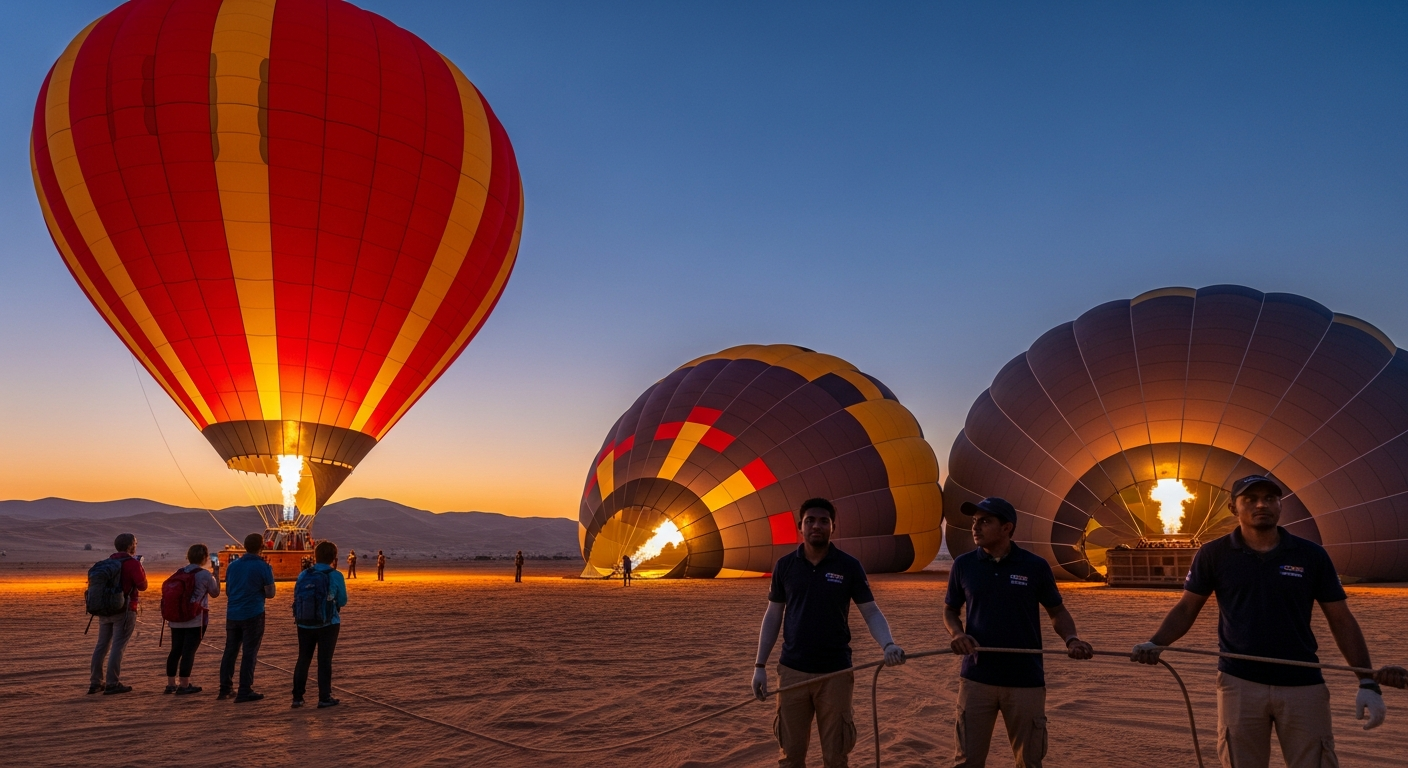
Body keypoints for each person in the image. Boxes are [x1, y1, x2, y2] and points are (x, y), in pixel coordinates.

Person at [1132, 475, 1408, 768]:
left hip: (1303, 684)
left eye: (1270, 498)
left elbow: (1341, 620)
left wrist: (1366, 680)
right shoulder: (1213, 554)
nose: (1261, 504)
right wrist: (1156, 643)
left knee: (1315, 761)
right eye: (1250, 499)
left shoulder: (1311, 555)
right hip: (1239, 682)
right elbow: (1187, 608)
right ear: (1232, 507)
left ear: (1280, 506)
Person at [752, 498, 906, 768]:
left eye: (824, 521)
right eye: (810, 520)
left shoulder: (848, 566)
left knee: (836, 755)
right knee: (790, 754)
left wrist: (888, 644)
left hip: (835, 673)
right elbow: (773, 615)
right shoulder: (786, 566)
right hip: (792, 672)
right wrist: (760, 665)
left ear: (833, 526)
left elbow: (871, 612)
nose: (816, 526)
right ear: (800, 526)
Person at [944, 497, 1093, 768]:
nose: (975, 527)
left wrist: (1072, 639)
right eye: (974, 521)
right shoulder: (963, 565)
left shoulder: (1035, 566)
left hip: (1026, 680)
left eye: (985, 521)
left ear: (1007, 528)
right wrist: (957, 634)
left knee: (1030, 760)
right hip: (977, 679)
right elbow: (950, 610)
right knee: (966, 760)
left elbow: (1057, 611)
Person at [219, 532, 276, 702]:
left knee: (230, 651)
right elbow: (271, 593)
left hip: (233, 613)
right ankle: (245, 689)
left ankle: (225, 688)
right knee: (249, 652)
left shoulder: (233, 566)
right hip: (253, 613)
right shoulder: (264, 567)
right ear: (262, 546)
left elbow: (228, 591)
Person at [292, 541, 348, 709]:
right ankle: (324, 697)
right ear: (333, 557)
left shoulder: (304, 575)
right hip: (328, 623)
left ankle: (297, 697)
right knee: (324, 660)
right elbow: (343, 600)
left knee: (303, 658)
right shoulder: (335, 575)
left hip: (304, 622)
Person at [89, 533, 147, 695]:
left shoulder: (109, 562)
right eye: (135, 543)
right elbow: (143, 585)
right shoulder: (132, 564)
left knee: (101, 645)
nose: (136, 545)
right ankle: (112, 682)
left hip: (105, 608)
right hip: (125, 609)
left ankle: (95, 682)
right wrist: (140, 567)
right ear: (130, 546)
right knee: (117, 646)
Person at [165, 543, 220, 695]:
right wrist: (216, 573)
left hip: (176, 618)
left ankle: (171, 684)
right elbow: (215, 593)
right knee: (189, 651)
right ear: (204, 558)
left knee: (175, 650)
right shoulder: (204, 574)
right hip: (195, 618)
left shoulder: (179, 572)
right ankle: (184, 684)